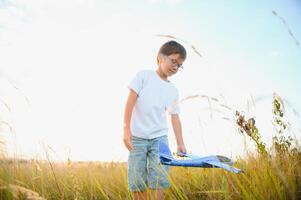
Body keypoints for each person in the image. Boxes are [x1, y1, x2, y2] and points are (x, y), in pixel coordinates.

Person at [123, 40, 187, 200]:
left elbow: (175, 117)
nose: (175, 67)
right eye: (174, 61)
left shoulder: (172, 90)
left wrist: (180, 143)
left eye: (179, 65)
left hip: (160, 139)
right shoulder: (143, 76)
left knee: (160, 178)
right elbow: (129, 103)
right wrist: (126, 129)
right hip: (137, 137)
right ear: (160, 57)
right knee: (137, 179)